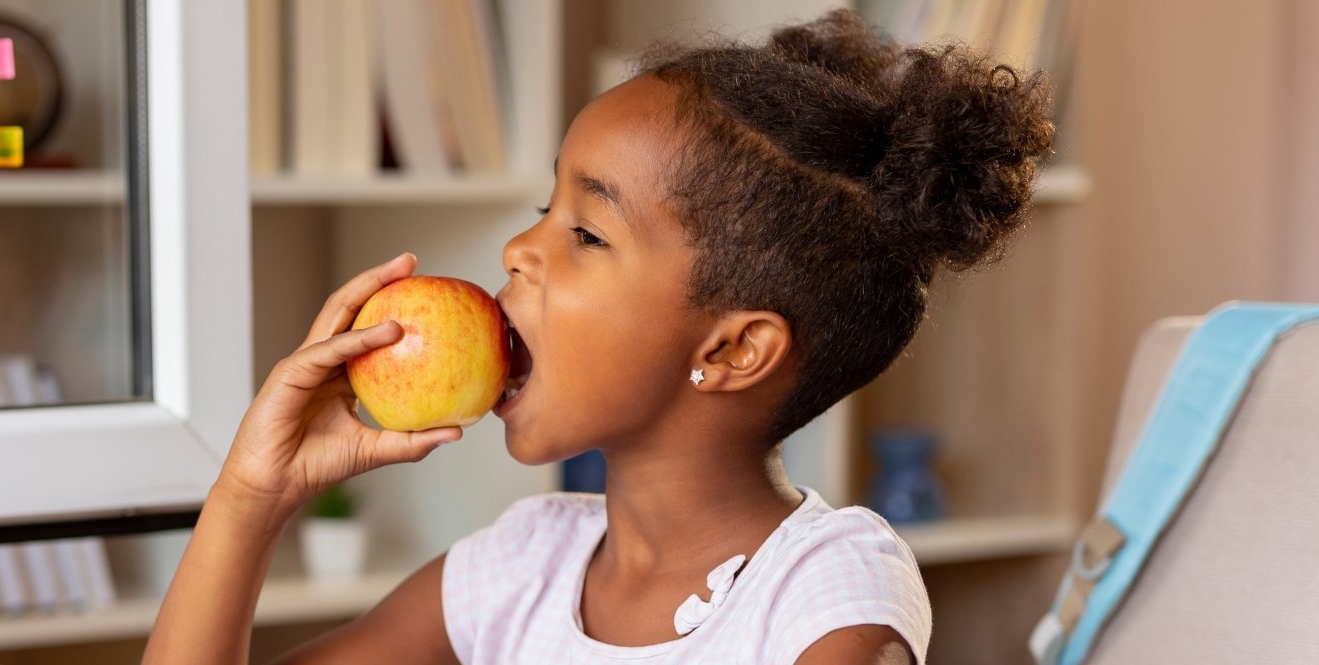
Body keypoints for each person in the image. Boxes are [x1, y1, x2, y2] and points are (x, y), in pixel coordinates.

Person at [146, 9, 1053, 664]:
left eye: (585, 232)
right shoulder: (523, 564)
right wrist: (251, 494)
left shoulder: (827, 599)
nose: (515, 249)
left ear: (733, 349)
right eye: (547, 207)